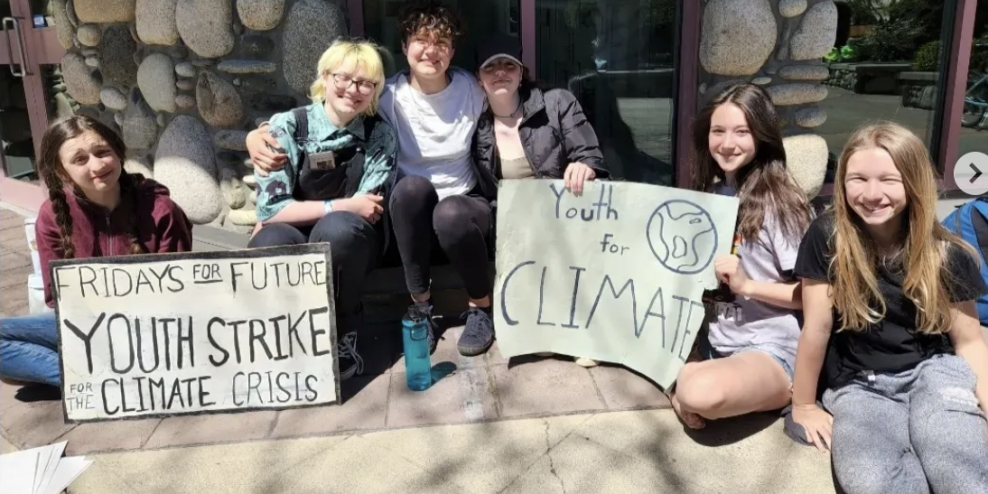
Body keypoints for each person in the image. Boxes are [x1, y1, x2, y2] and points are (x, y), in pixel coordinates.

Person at [249, 2, 496, 357]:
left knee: (446, 214)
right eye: (421, 40)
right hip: (409, 214)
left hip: (460, 206)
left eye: (441, 42)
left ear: (453, 51)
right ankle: (418, 307)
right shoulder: (389, 97)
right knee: (409, 189)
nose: (431, 50)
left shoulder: (471, 90)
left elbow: (509, 104)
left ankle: (479, 308)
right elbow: (327, 115)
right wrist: (256, 135)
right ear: (405, 46)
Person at [790, 122, 988, 494]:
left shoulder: (946, 252)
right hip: (860, 387)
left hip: (936, 374)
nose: (871, 193)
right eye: (858, 179)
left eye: (888, 179)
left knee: (962, 474)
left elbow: (969, 343)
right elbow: (815, 327)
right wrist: (803, 404)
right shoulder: (827, 236)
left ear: (913, 183)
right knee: (873, 483)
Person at [0, 115, 193, 388]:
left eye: (103, 152)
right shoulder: (52, 216)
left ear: (118, 152)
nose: (97, 165)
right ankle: (103, 381)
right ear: (61, 171)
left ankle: (89, 379)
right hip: (87, 327)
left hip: (154, 329)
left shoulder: (162, 210)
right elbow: (57, 298)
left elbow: (185, 290)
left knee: (21, 366)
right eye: (80, 159)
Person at [247, 40, 397, 381]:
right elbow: (270, 208)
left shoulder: (380, 135)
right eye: (343, 78)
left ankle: (343, 334)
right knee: (270, 242)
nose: (353, 90)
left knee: (337, 232)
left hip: (351, 242)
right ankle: (285, 340)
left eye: (365, 83)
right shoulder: (288, 126)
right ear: (325, 78)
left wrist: (335, 212)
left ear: (375, 91)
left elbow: (367, 210)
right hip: (295, 231)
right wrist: (341, 205)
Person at [669, 83, 812, 429]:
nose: (727, 143)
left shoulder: (782, 202)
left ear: (762, 136)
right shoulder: (709, 195)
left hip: (768, 348)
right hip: (712, 340)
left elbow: (813, 297)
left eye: (742, 132)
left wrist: (748, 285)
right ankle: (686, 377)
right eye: (718, 131)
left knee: (699, 393)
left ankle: (680, 387)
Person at [471, 33, 608, 366]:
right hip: (517, 223)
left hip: (567, 210)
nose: (500, 72)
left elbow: (590, 154)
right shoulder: (478, 126)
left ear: (521, 72)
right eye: (491, 67)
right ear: (480, 79)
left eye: (508, 65)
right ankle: (545, 327)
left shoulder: (556, 102)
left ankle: (585, 331)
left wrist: (584, 166)